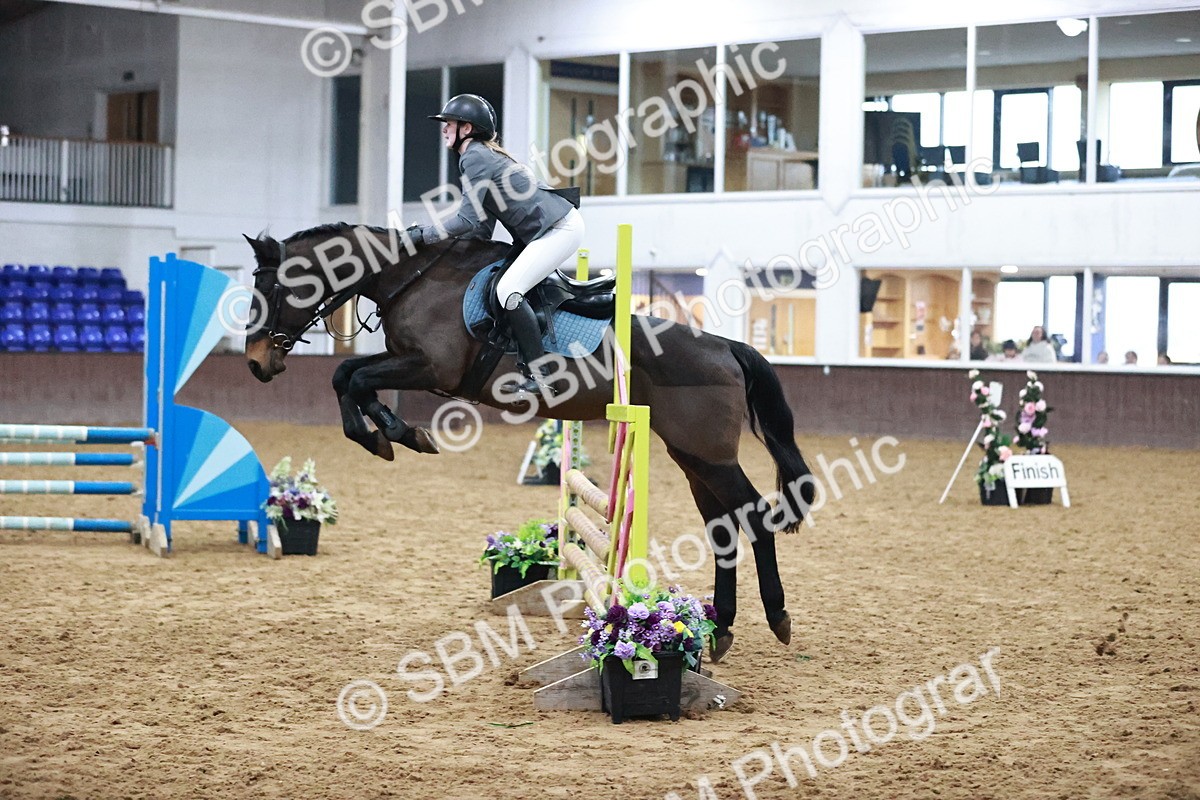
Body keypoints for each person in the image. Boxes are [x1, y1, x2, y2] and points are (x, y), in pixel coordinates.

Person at [410, 94, 585, 396]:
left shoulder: (473, 156)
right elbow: (480, 227)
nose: (444, 128)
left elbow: (465, 221)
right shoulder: (479, 155)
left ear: (467, 128)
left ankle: (541, 375)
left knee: (508, 291)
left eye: (449, 123)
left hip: (559, 229)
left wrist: (423, 235)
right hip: (548, 230)